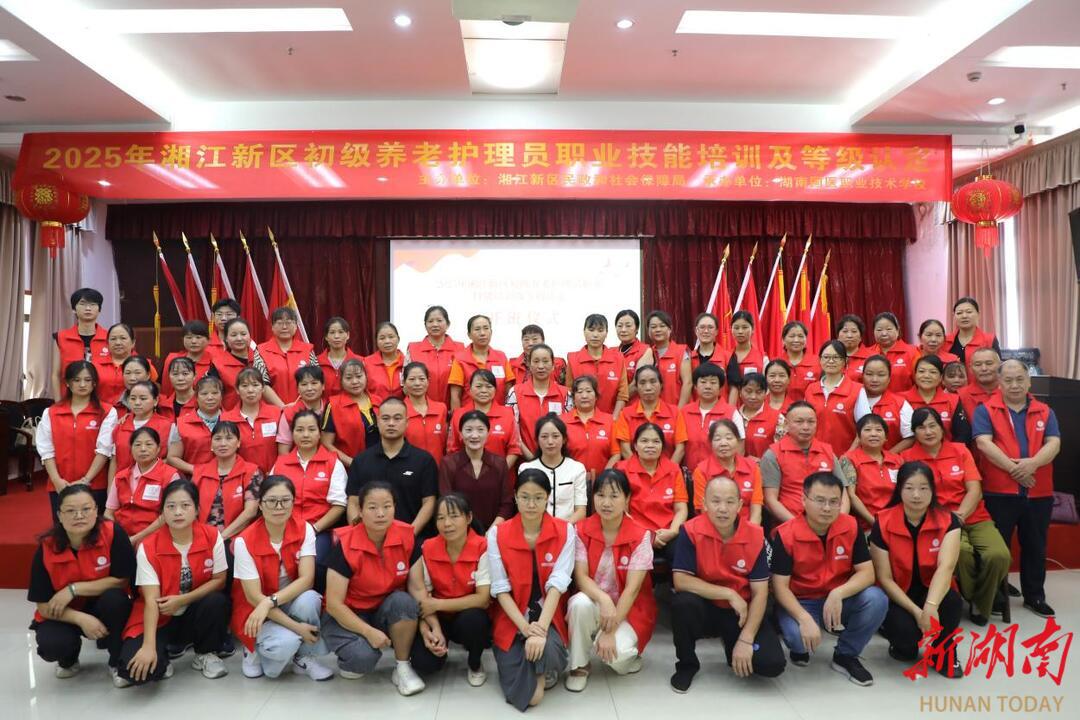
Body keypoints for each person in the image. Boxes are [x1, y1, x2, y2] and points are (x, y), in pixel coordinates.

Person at [770, 473, 888, 686]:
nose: (826, 508)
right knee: (798, 640)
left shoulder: (850, 526)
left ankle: (846, 655)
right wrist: (804, 618)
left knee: (876, 598)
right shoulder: (785, 534)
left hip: (839, 598)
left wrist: (838, 593)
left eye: (834, 502)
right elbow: (780, 587)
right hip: (801, 600)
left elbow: (867, 573)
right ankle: (800, 647)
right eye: (820, 500)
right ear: (804, 499)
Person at [669, 476, 785, 693]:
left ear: (740, 506)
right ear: (704, 503)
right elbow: (681, 580)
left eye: (730, 502)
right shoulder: (690, 531)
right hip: (706, 607)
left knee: (772, 665)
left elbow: (760, 594)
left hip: (740, 613)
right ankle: (687, 664)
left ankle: (733, 645)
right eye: (715, 501)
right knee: (682, 603)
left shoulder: (755, 536)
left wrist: (746, 639)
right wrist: (728, 594)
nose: (723, 508)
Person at [901, 407, 1009, 624]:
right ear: (914, 432)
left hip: (974, 516)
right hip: (938, 522)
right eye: (921, 427)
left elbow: (974, 490)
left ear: (942, 428)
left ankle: (980, 600)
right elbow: (914, 497)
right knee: (962, 554)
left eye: (933, 426)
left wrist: (960, 514)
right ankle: (978, 600)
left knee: (999, 555)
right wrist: (948, 520)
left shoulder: (960, 451)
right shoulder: (908, 458)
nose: (928, 432)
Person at [117, 479, 230, 684]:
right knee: (133, 672)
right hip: (160, 616)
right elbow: (151, 600)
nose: (178, 512)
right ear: (162, 512)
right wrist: (148, 646)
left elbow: (219, 581)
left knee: (216, 600)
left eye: (185, 505)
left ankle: (205, 653)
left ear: (197, 510)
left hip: (193, 613)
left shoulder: (212, 536)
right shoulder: (148, 546)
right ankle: (162, 656)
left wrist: (183, 599)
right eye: (171, 506)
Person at [973, 359, 1061, 618]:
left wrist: (1032, 464)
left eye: (1020, 379)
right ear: (999, 383)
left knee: (1035, 546)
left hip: (1038, 492)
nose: (1014, 385)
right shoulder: (986, 410)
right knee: (998, 548)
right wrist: (1016, 470)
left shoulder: (1045, 411)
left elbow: (1054, 443)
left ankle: (1034, 596)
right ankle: (997, 597)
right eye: (1008, 380)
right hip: (999, 492)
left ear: (1029, 381)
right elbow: (983, 444)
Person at [322, 481, 426, 694]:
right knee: (362, 658)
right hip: (348, 613)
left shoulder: (407, 536)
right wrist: (368, 632)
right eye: (372, 507)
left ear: (395, 508)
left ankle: (402, 668)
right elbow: (334, 604)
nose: (380, 513)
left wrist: (429, 624)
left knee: (404, 601)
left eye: (387, 506)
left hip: (383, 609)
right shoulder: (345, 543)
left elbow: (417, 589)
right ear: (360, 511)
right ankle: (350, 654)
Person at [28, 484, 135, 685]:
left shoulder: (112, 533)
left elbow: (122, 579)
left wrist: (73, 589)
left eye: (86, 509)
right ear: (59, 515)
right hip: (66, 612)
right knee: (52, 644)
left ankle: (117, 662)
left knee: (115, 599)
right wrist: (80, 619)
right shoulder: (47, 547)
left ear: (96, 510)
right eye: (70, 511)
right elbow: (43, 606)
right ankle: (68, 659)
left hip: (104, 605)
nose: (79, 516)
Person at [486, 469, 575, 711]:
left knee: (549, 651)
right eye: (525, 497)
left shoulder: (565, 531)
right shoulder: (497, 534)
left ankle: (542, 663)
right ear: (515, 497)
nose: (531, 504)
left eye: (538, 497)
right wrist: (525, 628)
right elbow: (500, 589)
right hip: (512, 619)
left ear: (548, 498)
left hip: (548, 618)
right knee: (533, 697)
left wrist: (540, 630)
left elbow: (558, 584)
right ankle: (537, 666)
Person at [231, 475, 334, 681]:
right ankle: (252, 650)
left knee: (310, 598)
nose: (279, 507)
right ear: (260, 505)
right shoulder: (244, 541)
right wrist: (298, 629)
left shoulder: (304, 529)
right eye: (271, 501)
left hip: (282, 601)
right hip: (255, 609)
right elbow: (253, 597)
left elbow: (306, 579)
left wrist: (270, 601)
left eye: (285, 500)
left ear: (293, 502)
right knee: (281, 653)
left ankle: (303, 657)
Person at [870, 461, 964, 679]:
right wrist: (916, 611)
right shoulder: (882, 521)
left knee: (951, 602)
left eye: (923, 488)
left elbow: (946, 567)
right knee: (905, 640)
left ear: (932, 490)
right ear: (899, 489)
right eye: (909, 488)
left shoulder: (948, 520)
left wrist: (931, 606)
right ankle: (903, 644)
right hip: (899, 594)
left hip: (933, 590)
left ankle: (943, 648)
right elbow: (884, 578)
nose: (916, 495)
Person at [566, 470, 655, 691]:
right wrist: (604, 599)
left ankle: (629, 655)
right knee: (578, 603)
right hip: (596, 602)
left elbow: (632, 590)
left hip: (630, 609)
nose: (606, 503)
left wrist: (609, 632)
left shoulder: (641, 535)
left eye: (614, 496)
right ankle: (579, 665)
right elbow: (581, 577)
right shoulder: (581, 529)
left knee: (617, 657)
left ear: (627, 499)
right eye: (600, 495)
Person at [408, 493, 493, 686]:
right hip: (438, 618)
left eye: (454, 516)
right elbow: (423, 597)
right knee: (424, 664)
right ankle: (440, 650)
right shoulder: (427, 548)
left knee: (475, 620)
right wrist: (429, 628)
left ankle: (475, 663)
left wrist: (437, 604)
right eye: (440, 518)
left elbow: (482, 599)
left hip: (468, 615)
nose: (447, 524)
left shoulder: (483, 547)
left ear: (468, 518)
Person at [271, 410, 347, 585]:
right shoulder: (281, 463)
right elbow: (269, 499)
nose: (305, 435)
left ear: (319, 433)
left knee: (316, 563)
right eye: (299, 430)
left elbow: (339, 505)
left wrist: (313, 529)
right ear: (292, 433)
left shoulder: (332, 462)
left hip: (318, 530)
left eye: (311, 429)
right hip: (283, 529)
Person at [345, 397, 438, 535]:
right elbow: (353, 502)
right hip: (369, 538)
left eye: (397, 418)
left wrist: (409, 535)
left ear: (407, 422)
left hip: (412, 538)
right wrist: (360, 534)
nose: (391, 423)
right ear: (378, 422)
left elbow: (429, 502)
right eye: (386, 418)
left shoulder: (424, 460)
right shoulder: (361, 461)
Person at [37, 361, 117, 517]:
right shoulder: (51, 412)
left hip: (94, 485)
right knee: (63, 527)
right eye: (77, 380)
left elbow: (104, 450)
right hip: (59, 485)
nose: (82, 384)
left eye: (87, 380)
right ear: (67, 383)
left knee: (95, 529)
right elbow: (46, 450)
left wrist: (86, 480)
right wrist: (56, 480)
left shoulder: (107, 412)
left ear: (94, 383)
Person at [760, 402, 848, 525]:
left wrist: (837, 522)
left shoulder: (827, 452)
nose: (806, 427)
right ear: (786, 425)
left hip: (829, 523)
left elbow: (843, 494)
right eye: (799, 422)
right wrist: (799, 526)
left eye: (811, 422)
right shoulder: (773, 455)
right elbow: (770, 500)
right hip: (790, 525)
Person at [614, 423, 687, 564]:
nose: (650, 445)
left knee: (683, 552)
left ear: (662, 446)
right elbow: (621, 512)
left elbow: (681, 509)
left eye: (656, 441)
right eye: (644, 441)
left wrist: (673, 531)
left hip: (667, 534)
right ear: (635, 446)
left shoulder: (673, 469)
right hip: (634, 533)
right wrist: (648, 536)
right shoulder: (622, 469)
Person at [438, 410, 514, 532]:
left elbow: (506, 504)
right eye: (468, 430)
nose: (474, 435)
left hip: (494, 532)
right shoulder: (449, 464)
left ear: (488, 433)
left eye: (480, 430)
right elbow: (447, 502)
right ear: (460, 434)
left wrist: (492, 532)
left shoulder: (499, 463)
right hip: (459, 533)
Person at [191, 421, 263, 542]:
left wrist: (220, 538)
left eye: (229, 438)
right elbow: (190, 508)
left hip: (238, 540)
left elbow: (250, 511)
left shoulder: (251, 472)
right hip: (202, 538)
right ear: (211, 444)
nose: (223, 443)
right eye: (218, 439)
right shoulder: (199, 473)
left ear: (238, 443)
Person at [105, 427, 179, 543]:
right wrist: (120, 538)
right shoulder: (120, 477)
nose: (143, 449)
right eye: (137, 445)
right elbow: (109, 513)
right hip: (123, 539)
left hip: (156, 538)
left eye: (149, 444)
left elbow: (167, 515)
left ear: (158, 449)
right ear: (131, 449)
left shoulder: (170, 476)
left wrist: (135, 539)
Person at [517, 414, 588, 524]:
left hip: (568, 528)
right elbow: (523, 507)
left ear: (564, 439)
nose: (550, 442)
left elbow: (581, 511)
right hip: (535, 528)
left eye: (555, 436)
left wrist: (563, 528)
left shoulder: (577, 468)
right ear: (537, 440)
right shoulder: (526, 469)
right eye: (544, 437)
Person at [690, 419, 763, 524]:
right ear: (710, 443)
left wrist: (749, 532)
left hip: (746, 528)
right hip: (713, 528)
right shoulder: (701, 471)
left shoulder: (753, 468)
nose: (723, 443)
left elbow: (756, 510)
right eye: (717, 439)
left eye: (729, 438)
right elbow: (704, 511)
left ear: (738, 441)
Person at [447, 368, 522, 468]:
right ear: (469, 390)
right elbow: (453, 449)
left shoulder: (507, 414)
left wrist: (500, 472)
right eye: (478, 386)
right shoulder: (458, 415)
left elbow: (514, 448)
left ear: (495, 390)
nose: (483, 390)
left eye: (488, 386)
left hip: (502, 474)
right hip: (466, 474)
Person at [841, 414, 904, 530]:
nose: (873, 434)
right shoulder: (849, 459)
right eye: (867, 430)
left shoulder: (897, 460)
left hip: (896, 522)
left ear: (886, 437)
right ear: (859, 437)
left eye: (879, 430)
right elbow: (851, 495)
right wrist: (875, 524)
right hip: (867, 526)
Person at [614, 365, 687, 462]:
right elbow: (625, 450)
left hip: (669, 469)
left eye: (653, 382)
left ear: (661, 385)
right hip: (634, 469)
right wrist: (638, 469)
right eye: (642, 383)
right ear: (636, 387)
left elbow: (680, 449)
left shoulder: (675, 413)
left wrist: (668, 470)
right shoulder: (625, 414)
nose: (648, 387)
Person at [510, 343, 571, 461]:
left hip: (557, 461)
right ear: (529, 364)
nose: (541, 366)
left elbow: (569, 430)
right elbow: (513, 430)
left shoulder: (565, 394)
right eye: (536, 361)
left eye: (545, 361)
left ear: (553, 365)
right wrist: (531, 459)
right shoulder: (515, 392)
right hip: (525, 461)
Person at [803, 340, 862, 456]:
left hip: (845, 457)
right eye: (826, 357)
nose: (830, 361)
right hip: (814, 456)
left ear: (844, 361)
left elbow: (864, 428)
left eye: (836, 357)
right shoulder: (811, 389)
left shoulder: (857, 390)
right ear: (820, 360)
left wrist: (847, 456)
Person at [107, 380, 173, 482]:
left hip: (154, 483)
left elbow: (172, 458)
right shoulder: (121, 425)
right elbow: (115, 460)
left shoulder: (168, 426)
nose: (137, 403)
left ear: (155, 401)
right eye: (133, 398)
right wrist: (111, 488)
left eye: (143, 398)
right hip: (123, 484)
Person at [565, 314, 628, 417]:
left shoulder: (618, 358)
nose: (595, 335)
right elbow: (569, 393)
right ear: (584, 332)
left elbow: (623, 395)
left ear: (606, 333)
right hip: (581, 420)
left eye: (600, 330)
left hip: (610, 420)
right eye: (591, 330)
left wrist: (613, 420)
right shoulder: (573, 359)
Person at [221, 367, 282, 474]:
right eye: (244, 386)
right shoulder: (226, 419)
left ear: (263, 388)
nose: (250, 390)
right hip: (240, 477)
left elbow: (285, 450)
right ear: (237, 390)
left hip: (274, 477)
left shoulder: (277, 414)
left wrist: (275, 473)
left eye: (255, 385)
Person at [448, 315, 515, 409]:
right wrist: (457, 416)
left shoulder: (501, 357)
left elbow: (509, 392)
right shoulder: (460, 359)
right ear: (469, 335)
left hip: (498, 414)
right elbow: (455, 395)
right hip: (470, 415)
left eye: (486, 328)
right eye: (477, 329)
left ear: (491, 332)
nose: (482, 333)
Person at [901, 355, 970, 446]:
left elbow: (962, 435)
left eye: (933, 372)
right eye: (921, 371)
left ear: (941, 378)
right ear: (915, 375)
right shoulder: (901, 399)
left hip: (947, 453)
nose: (926, 376)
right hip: (909, 454)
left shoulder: (953, 400)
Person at [255, 306, 318, 406]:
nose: (284, 327)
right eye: (279, 323)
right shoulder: (261, 351)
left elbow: (316, 381)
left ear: (296, 326)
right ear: (272, 327)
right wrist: (283, 407)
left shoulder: (307, 350)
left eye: (288, 323)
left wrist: (297, 406)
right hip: (272, 410)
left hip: (305, 408)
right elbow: (261, 383)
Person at [53, 287, 109, 398]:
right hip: (70, 400)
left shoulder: (110, 338)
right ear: (74, 309)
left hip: (104, 401)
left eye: (93, 304)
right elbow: (56, 375)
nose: (88, 308)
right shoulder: (61, 338)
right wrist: (58, 403)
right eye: (82, 304)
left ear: (99, 309)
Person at [321, 358, 379, 466]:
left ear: (366, 377)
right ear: (341, 381)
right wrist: (353, 463)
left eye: (359, 376)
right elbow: (326, 443)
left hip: (381, 464)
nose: (355, 382)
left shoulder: (378, 401)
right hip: (350, 467)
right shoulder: (333, 405)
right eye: (348, 378)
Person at [560, 376, 620, 479]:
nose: (584, 396)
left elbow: (616, 454)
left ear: (596, 396)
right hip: (569, 480)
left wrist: (603, 478)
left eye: (588, 391)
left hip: (602, 482)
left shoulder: (610, 421)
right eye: (579, 392)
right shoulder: (561, 422)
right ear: (573, 397)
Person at [680, 363, 735, 472]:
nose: (708, 386)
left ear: (720, 387)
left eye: (713, 382)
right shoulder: (684, 412)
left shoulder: (731, 413)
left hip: (720, 475)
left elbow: (739, 449)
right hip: (689, 474)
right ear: (695, 386)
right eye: (703, 382)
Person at [406, 305, 464, 406]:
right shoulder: (413, 349)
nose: (435, 324)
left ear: (448, 324)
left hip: (453, 408)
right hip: (422, 409)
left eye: (439, 320)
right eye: (430, 321)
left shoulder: (460, 349)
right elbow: (405, 383)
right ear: (425, 325)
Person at [853, 354, 913, 451]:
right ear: (862, 376)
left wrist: (887, 456)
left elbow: (910, 437)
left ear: (889, 378)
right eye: (869, 374)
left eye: (881, 375)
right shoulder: (851, 398)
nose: (874, 379)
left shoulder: (900, 404)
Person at [167, 375, 225, 475]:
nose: (210, 397)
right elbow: (172, 457)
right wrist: (196, 470)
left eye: (215, 393)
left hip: (228, 477)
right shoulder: (183, 423)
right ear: (196, 397)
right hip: (193, 478)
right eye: (204, 394)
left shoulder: (233, 420)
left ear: (221, 396)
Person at [211, 318, 269, 411]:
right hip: (230, 416)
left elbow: (268, 388)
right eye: (233, 335)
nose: (239, 338)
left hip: (264, 414)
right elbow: (212, 393)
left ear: (250, 336)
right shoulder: (217, 364)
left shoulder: (261, 358)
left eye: (243, 334)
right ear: (226, 338)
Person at [402, 361, 449, 464]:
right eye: (412, 379)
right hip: (409, 469)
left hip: (438, 468)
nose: (417, 383)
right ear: (404, 382)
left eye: (422, 379)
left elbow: (446, 444)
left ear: (428, 381)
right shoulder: (400, 411)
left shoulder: (441, 409)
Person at [275, 365, 327, 452]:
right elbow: (283, 452)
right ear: (298, 389)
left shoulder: (331, 409)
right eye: (304, 384)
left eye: (314, 383)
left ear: (323, 386)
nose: (309, 388)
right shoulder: (289, 414)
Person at [646, 310, 692, 407]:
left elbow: (688, 383)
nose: (658, 330)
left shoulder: (681, 351)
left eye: (662, 326)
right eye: (653, 327)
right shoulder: (647, 353)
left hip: (676, 409)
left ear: (670, 329)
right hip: (652, 411)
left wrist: (679, 411)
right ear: (648, 331)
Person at [94, 323, 148, 407]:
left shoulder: (145, 364)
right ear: (107, 343)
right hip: (102, 412)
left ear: (133, 342)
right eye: (113, 339)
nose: (118, 343)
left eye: (123, 338)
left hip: (133, 412)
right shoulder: (94, 365)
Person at [160, 320, 217, 397]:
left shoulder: (215, 362)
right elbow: (166, 389)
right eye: (189, 337)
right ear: (183, 339)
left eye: (198, 337)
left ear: (208, 340)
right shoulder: (172, 359)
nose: (193, 341)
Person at [947, 297, 1001, 376]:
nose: (964, 316)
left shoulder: (989, 339)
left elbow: (998, 368)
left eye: (969, 312)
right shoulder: (946, 341)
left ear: (978, 314)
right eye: (959, 313)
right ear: (954, 316)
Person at [724, 310, 769, 404]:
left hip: (753, 407)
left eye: (744, 327)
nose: (740, 331)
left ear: (753, 329)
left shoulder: (762, 358)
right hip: (728, 407)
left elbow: (767, 388)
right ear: (731, 330)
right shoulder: (725, 357)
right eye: (736, 328)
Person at [736, 371, 783, 459]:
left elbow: (783, 452)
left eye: (758, 392)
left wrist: (763, 462)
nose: (753, 397)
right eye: (748, 391)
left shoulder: (778, 418)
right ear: (740, 392)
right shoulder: (732, 416)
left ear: (766, 393)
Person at [870, 312, 917, 393]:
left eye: (889, 329)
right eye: (879, 330)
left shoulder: (912, 352)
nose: (884, 333)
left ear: (897, 330)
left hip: (904, 400)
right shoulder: (867, 353)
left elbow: (921, 381)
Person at [317, 316, 361, 399]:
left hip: (352, 405)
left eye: (341, 332)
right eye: (332, 332)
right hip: (325, 406)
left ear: (348, 335)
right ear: (326, 337)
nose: (336, 336)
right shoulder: (316, 362)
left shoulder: (360, 361)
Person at [614, 309, 655, 397]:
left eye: (628, 326)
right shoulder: (611, 352)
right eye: (620, 326)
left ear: (637, 329)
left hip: (634, 403)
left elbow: (637, 383)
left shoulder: (645, 350)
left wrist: (619, 401)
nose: (623, 330)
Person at [364, 321, 406, 404]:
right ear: (376, 341)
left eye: (391, 337)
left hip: (403, 409)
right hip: (375, 409)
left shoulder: (407, 363)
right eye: (382, 338)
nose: (387, 341)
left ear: (398, 339)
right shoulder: (366, 363)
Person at [957, 347, 1001, 421]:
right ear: (970, 369)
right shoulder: (961, 396)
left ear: (1000, 365)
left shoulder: (1011, 392)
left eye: (989, 363)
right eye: (978, 365)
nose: (984, 368)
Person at [779, 322, 819, 401]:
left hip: (810, 407)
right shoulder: (776, 363)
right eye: (792, 336)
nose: (796, 340)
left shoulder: (818, 362)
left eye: (800, 336)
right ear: (783, 340)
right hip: (782, 408)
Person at [836, 314, 873, 384]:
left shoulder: (872, 358)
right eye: (845, 331)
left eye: (854, 331)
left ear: (861, 337)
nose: (849, 335)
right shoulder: (830, 357)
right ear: (838, 336)